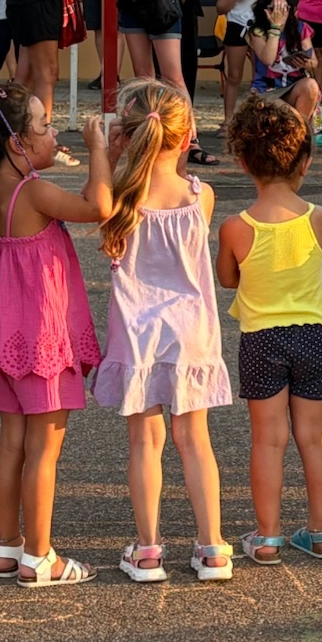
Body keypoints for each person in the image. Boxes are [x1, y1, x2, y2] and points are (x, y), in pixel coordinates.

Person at [0, 85, 110, 588]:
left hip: (4, 339)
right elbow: (98, 205)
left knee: (12, 441)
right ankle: (41, 557)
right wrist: (99, 150)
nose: (53, 131)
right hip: (41, 338)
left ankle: (8, 546)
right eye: (42, 126)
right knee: (45, 448)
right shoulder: (33, 192)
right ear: (16, 143)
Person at [93, 80, 235, 582]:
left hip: (137, 332)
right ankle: (212, 546)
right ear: (186, 135)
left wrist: (107, 156)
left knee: (145, 443)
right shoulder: (203, 195)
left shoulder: (118, 200)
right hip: (192, 330)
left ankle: (149, 549)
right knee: (196, 440)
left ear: (126, 135)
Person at [218, 95, 322, 563]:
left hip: (262, 337)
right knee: (314, 437)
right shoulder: (318, 218)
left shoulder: (236, 226)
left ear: (243, 161)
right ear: (304, 160)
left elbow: (229, 279)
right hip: (313, 334)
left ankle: (267, 536)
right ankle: (321, 530)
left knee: (268, 440)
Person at [215, 0, 273, 130]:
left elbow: (273, 3)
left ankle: (258, 118)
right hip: (237, 26)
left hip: (259, 29)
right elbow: (220, 8)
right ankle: (228, 119)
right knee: (234, 75)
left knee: (261, 74)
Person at [244, 0, 322, 122]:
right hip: (267, 90)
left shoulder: (300, 28)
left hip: (293, 86)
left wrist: (304, 63)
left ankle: (301, 133)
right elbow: (268, 60)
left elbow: (314, 63)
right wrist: (275, 28)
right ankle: (302, 130)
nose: (280, 13)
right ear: (265, 10)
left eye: (284, 8)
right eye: (275, 8)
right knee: (290, 115)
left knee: (311, 85)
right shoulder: (257, 31)